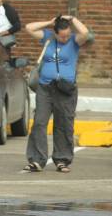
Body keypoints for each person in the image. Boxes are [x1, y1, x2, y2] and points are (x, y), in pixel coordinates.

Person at [23, 15, 90, 174]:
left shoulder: (75, 41)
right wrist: (49, 22)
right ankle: (37, 160)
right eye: (62, 35)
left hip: (65, 89)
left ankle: (62, 159)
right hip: (45, 87)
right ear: (55, 32)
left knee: (64, 125)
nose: (65, 38)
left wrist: (72, 19)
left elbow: (85, 32)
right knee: (39, 122)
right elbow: (29, 28)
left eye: (67, 34)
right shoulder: (47, 38)